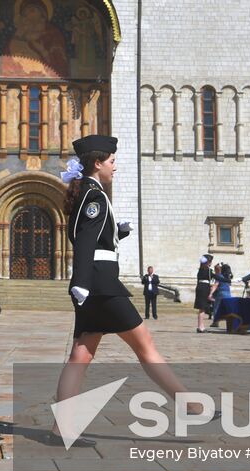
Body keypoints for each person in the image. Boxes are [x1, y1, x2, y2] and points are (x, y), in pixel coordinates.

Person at [51, 135, 184, 447]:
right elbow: (84, 240)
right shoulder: (94, 195)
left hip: (95, 281)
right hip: (101, 284)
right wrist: (80, 281)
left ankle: (61, 430)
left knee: (80, 355)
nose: (115, 166)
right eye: (111, 161)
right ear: (97, 163)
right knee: (145, 345)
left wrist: (116, 234)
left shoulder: (88, 191)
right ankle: (191, 405)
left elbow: (91, 237)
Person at [194, 256, 213, 332]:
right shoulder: (208, 270)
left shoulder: (200, 270)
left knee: (201, 309)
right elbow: (215, 277)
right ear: (208, 262)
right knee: (202, 309)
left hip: (199, 288)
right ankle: (201, 327)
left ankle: (200, 326)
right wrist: (227, 280)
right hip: (204, 288)